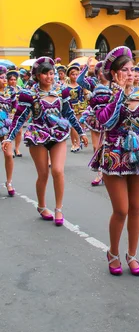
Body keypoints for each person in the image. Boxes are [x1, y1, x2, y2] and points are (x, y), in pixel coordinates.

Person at [89, 46, 139, 276]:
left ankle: (132, 254)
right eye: (125, 70)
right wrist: (119, 94)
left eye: (133, 69)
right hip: (114, 155)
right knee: (121, 209)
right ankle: (113, 252)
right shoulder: (102, 95)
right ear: (114, 73)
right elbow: (106, 123)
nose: (131, 73)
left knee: (136, 208)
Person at [2, 57, 88, 224]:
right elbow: (20, 117)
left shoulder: (61, 90)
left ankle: (58, 208)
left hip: (58, 134)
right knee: (43, 174)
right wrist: (10, 138)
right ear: (37, 75)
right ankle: (41, 205)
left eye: (51, 73)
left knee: (57, 170)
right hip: (38, 135)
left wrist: (81, 132)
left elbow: (69, 113)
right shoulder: (28, 94)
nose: (49, 77)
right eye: (45, 74)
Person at [78, 60, 108, 186]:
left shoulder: (115, 84)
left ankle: (107, 171)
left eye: (105, 70)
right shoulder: (94, 83)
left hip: (110, 118)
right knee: (97, 147)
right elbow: (80, 80)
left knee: (107, 146)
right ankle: (100, 173)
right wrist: (85, 68)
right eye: (101, 70)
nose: (103, 73)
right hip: (95, 117)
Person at [0, 66, 17, 196]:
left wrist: (12, 116)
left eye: (4, 77)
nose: (4, 80)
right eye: (1, 77)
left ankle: (9, 182)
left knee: (8, 155)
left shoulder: (10, 91)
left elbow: (14, 106)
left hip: (5, 126)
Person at [65, 64, 89, 152]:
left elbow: (86, 94)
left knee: (80, 125)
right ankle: (75, 143)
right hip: (71, 107)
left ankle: (79, 141)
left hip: (81, 106)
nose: (75, 76)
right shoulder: (65, 86)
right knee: (72, 126)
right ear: (69, 75)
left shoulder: (81, 84)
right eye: (73, 74)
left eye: (76, 74)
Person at [6, 69, 23, 157]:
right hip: (9, 112)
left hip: (19, 112)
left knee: (19, 131)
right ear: (8, 81)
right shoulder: (6, 90)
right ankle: (9, 148)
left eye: (14, 79)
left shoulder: (20, 89)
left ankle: (17, 148)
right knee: (10, 130)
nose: (13, 81)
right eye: (11, 80)